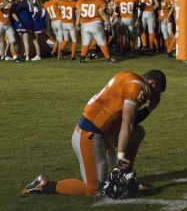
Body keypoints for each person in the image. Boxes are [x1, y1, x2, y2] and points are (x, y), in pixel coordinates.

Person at [22, 69, 166, 197]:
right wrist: (121, 159)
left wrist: (150, 108)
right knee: (93, 189)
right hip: (89, 134)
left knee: (137, 132)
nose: (152, 97)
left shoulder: (128, 77)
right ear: (151, 83)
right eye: (155, 93)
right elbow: (126, 124)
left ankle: (125, 177)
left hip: (103, 132)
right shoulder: (138, 87)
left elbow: (130, 122)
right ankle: (44, 185)